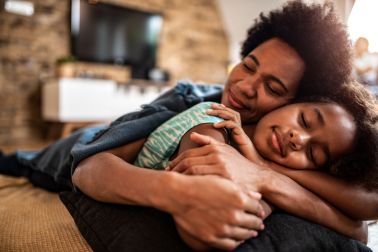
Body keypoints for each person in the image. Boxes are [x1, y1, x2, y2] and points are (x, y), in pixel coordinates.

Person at [1, 1, 373, 250]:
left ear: (296, 99)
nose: (244, 87)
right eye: (248, 65)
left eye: (273, 87)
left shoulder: (288, 144)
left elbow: (363, 214)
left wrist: (265, 173)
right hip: (79, 147)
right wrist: (177, 193)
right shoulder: (200, 107)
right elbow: (90, 164)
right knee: (25, 158)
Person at [130, 87, 378, 250]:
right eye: (304, 120)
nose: (298, 139)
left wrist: (265, 169)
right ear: (292, 101)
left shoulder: (270, 164)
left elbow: (366, 213)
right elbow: (211, 211)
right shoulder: (216, 126)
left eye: (313, 153)